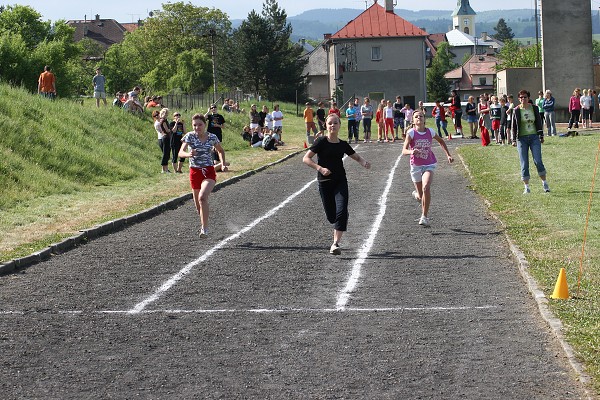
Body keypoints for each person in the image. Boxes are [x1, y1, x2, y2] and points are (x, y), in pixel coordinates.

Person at [303, 113, 371, 255]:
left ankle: (335, 244)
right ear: (326, 126)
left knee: (341, 210)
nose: (332, 125)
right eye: (330, 123)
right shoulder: (321, 142)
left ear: (339, 125)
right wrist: (320, 168)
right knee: (332, 216)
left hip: (340, 181)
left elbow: (355, 156)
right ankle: (341, 218)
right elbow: (306, 159)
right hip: (324, 182)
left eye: (335, 123)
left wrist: (363, 162)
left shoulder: (343, 144)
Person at [179, 113, 227, 237]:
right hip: (194, 172)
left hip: (208, 171)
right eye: (194, 125)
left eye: (200, 125)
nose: (197, 127)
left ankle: (204, 229)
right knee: (198, 207)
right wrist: (189, 154)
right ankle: (204, 224)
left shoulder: (212, 137)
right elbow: (181, 152)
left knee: (202, 197)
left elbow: (220, 150)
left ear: (205, 125)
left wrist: (222, 164)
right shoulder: (189, 136)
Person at [402, 111, 454, 227]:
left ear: (424, 119)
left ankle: (424, 216)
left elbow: (441, 141)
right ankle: (417, 195)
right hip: (415, 166)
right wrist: (412, 151)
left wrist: (448, 155)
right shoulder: (411, 133)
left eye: (421, 116)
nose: (419, 118)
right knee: (421, 196)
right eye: (416, 117)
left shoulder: (430, 131)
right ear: (413, 121)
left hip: (429, 164)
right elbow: (404, 151)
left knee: (426, 187)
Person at [511, 89, 550, 194]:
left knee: (538, 160)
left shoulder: (535, 108)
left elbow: (538, 121)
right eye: (521, 97)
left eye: (525, 97)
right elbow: (514, 126)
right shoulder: (516, 110)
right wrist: (513, 139)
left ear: (528, 98)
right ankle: (526, 187)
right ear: (519, 99)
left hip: (534, 137)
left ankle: (544, 183)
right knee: (524, 163)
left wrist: (541, 135)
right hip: (522, 139)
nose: (523, 99)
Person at [153, 108, 173, 173]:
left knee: (166, 154)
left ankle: (165, 169)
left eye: (157, 115)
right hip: (162, 138)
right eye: (155, 115)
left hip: (164, 137)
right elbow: (163, 131)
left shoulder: (162, 120)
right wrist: (171, 130)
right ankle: (164, 169)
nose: (157, 116)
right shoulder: (159, 122)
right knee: (165, 154)